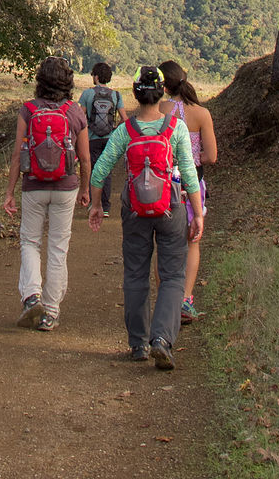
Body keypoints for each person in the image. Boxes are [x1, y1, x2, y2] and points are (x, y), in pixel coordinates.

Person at [88, 65, 203, 370]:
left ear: (136, 94)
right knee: (173, 276)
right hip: (171, 209)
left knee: (136, 274)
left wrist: (96, 206)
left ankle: (138, 343)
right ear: (163, 92)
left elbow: (100, 171)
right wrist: (198, 212)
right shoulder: (175, 127)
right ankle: (162, 340)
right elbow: (190, 174)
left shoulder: (126, 131)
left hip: (135, 211)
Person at [4, 55, 91, 331]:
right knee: (57, 247)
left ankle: (31, 297)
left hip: (34, 186)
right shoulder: (75, 111)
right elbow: (85, 158)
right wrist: (86, 189)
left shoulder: (28, 110)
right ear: (67, 82)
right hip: (66, 187)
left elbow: (18, 155)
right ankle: (50, 312)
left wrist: (9, 192)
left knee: (30, 241)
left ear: (40, 81)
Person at [159, 59, 217, 323]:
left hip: (163, 184)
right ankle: (186, 299)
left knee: (165, 241)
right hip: (193, 184)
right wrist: (194, 158)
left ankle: (166, 299)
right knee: (193, 240)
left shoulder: (160, 109)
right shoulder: (201, 114)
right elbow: (212, 156)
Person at [78, 62, 126, 217]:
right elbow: (125, 119)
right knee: (107, 172)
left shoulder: (87, 94)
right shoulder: (116, 95)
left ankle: (93, 204)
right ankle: (104, 207)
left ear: (96, 76)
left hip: (90, 139)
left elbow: (80, 117)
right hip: (109, 139)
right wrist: (115, 129)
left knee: (92, 170)